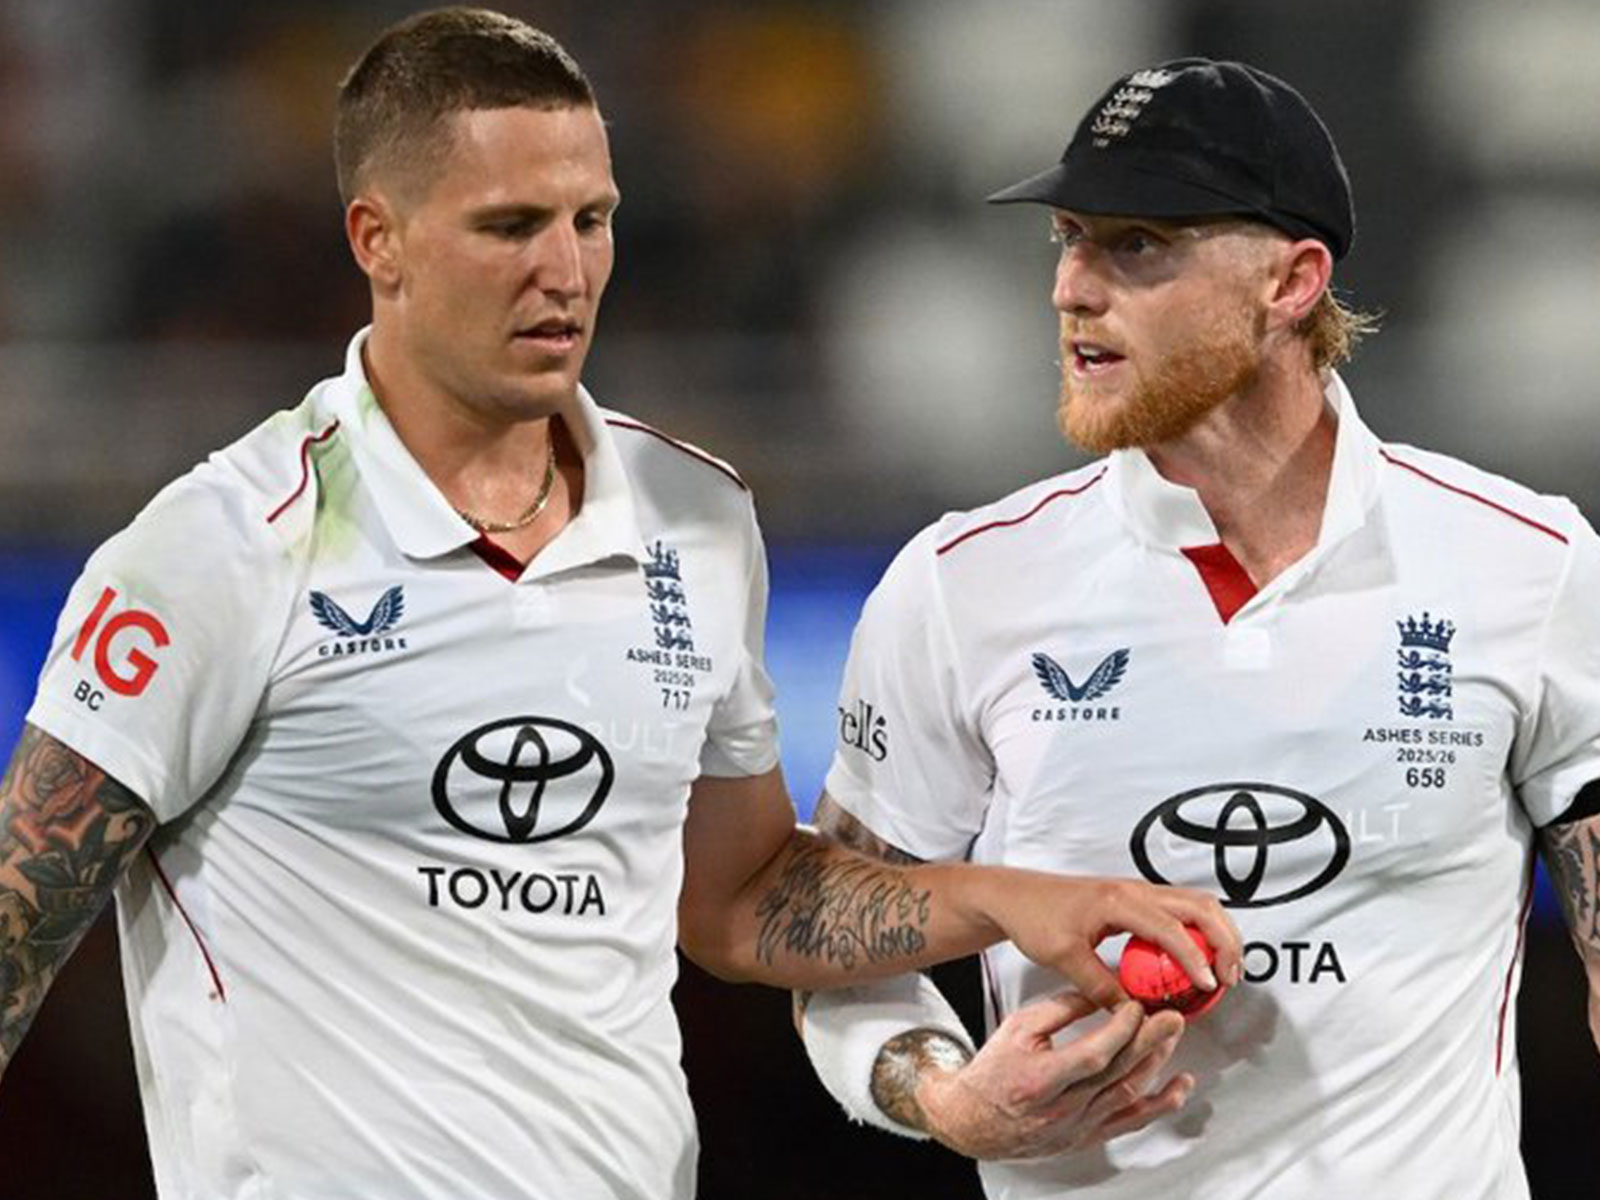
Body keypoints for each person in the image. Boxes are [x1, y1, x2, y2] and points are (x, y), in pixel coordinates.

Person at [0, 12, 1242, 1200]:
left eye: (591, 219)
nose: (565, 270)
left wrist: (1021, 903)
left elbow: (745, 899)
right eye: (509, 225)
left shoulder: (694, 519)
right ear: (377, 239)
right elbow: (20, 915)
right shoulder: (218, 551)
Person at [797, 57, 1600, 1200]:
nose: (1072, 287)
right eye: (1068, 238)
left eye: (1136, 246)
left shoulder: (1529, 563)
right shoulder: (961, 584)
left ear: (1290, 281)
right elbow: (831, 926)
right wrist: (942, 1098)